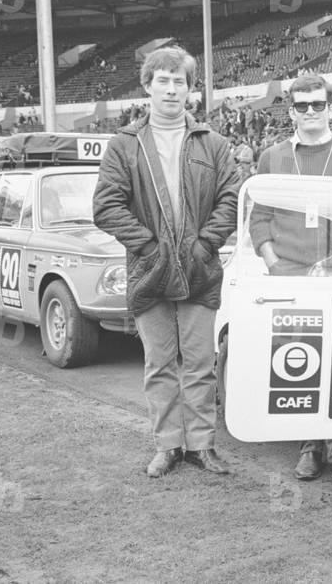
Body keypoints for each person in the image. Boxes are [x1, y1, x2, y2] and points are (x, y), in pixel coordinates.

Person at [93, 46, 240, 478]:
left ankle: (201, 445)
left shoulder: (213, 143)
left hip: (200, 270)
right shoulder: (125, 145)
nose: (172, 89)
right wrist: (152, 248)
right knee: (159, 364)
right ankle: (168, 445)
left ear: (190, 90)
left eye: (180, 81)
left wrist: (202, 246)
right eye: (163, 80)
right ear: (147, 86)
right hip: (149, 272)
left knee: (199, 364)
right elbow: (106, 207)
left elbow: (230, 202)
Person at [249, 74, 332, 490]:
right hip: (291, 276)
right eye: (301, 106)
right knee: (299, 362)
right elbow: (258, 219)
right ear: (291, 112)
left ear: (331, 108)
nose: (310, 112)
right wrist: (275, 265)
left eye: (317, 104)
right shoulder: (273, 157)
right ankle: (308, 447)